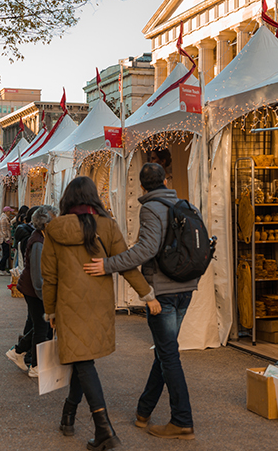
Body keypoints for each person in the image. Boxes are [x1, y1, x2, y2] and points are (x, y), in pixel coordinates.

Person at [83, 162, 197, 440]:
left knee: (168, 355)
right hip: (187, 287)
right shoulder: (185, 205)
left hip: (163, 291)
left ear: (143, 185)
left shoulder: (150, 209)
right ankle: (144, 411)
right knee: (164, 351)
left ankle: (182, 420)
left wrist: (109, 264)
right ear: (166, 180)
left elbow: (145, 249)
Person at [42, 176, 157, 450]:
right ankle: (68, 415)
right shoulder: (108, 226)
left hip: (69, 305)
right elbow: (127, 264)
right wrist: (147, 294)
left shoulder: (54, 229)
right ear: (94, 197)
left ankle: (104, 430)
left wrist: (50, 311)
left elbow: (49, 277)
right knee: (84, 361)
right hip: (99, 305)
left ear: (68, 199)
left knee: (83, 362)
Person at [12, 205, 58, 378]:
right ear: (46, 223)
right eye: (54, 220)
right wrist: (45, 298)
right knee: (41, 326)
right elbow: (38, 276)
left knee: (39, 325)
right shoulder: (38, 241)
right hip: (35, 290)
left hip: (35, 289)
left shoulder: (44, 237)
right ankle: (36, 366)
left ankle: (18, 351)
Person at [12, 206, 35, 270]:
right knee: (20, 258)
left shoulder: (17, 218)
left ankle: (16, 271)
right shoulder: (29, 232)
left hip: (17, 239)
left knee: (19, 258)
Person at [0, 206, 14, 275]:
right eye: (9, 211)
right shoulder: (4, 219)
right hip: (3, 239)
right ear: (6, 211)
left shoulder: (4, 218)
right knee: (6, 254)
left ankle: (2, 269)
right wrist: (7, 238)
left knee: (5, 254)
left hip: (3, 239)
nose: (10, 212)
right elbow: (4, 230)